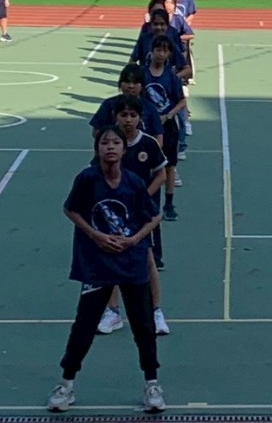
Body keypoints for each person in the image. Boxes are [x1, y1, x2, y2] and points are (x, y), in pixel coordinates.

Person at [49, 127, 164, 413]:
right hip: (97, 264)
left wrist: (134, 240)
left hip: (131, 262)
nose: (110, 147)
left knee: (143, 325)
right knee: (84, 325)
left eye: (115, 143)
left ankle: (152, 384)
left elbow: (153, 217)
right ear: (97, 148)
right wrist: (96, 235)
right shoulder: (87, 179)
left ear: (124, 149)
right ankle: (66, 385)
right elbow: (70, 210)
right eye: (105, 143)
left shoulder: (134, 182)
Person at [96, 97, 171, 337]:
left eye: (132, 115)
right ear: (115, 117)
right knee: (111, 261)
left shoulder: (148, 143)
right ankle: (113, 312)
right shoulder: (109, 144)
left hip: (141, 213)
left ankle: (156, 312)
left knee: (147, 260)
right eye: (123, 115)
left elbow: (161, 175)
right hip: (114, 214)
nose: (128, 120)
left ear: (140, 118)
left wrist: (142, 198)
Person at [142, 36, 186, 222]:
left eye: (165, 51)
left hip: (168, 127)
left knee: (169, 166)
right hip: (146, 128)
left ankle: (168, 204)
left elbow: (182, 101)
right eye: (158, 50)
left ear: (168, 54)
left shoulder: (171, 77)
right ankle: (145, 201)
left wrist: (168, 115)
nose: (161, 54)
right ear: (152, 51)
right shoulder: (142, 74)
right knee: (145, 165)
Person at [90, 64, 164, 142]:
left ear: (142, 85)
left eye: (135, 82)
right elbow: (96, 131)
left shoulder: (150, 108)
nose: (131, 86)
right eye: (127, 82)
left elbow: (158, 137)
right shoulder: (108, 104)